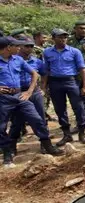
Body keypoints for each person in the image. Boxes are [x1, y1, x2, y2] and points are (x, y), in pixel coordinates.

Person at [1, 37, 63, 165]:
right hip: (3, 99)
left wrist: (29, 91)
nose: (19, 48)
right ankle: (8, 152)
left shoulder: (18, 60)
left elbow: (35, 74)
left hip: (20, 96)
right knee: (2, 127)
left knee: (36, 119)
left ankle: (47, 145)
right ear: (8, 47)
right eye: (17, 46)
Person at [41, 28, 85, 146]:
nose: (63, 39)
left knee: (78, 107)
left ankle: (82, 133)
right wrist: (44, 86)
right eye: (60, 37)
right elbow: (46, 71)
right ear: (53, 38)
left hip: (71, 81)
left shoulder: (74, 51)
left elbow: (82, 69)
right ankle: (66, 134)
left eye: (65, 37)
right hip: (55, 82)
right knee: (60, 109)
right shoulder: (47, 52)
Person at [9, 37, 47, 143]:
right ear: (20, 46)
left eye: (31, 46)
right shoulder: (13, 60)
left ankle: (44, 142)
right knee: (17, 119)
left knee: (40, 117)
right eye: (27, 46)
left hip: (34, 91)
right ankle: (13, 143)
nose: (29, 48)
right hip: (18, 92)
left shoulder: (37, 61)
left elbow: (44, 74)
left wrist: (43, 88)